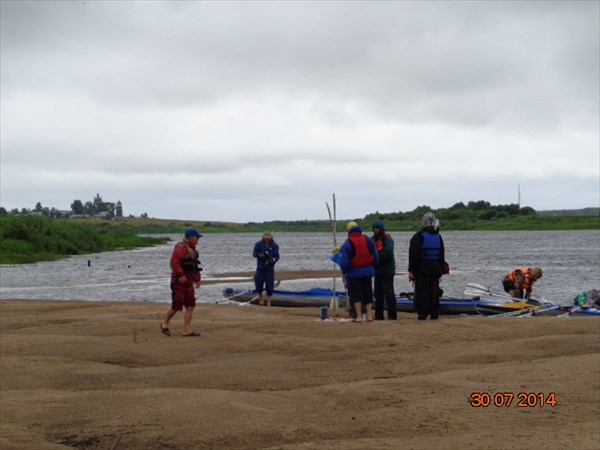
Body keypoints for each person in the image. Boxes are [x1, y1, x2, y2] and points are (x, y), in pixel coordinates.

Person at [161, 229, 203, 337]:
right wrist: (180, 275)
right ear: (190, 238)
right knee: (176, 305)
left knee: (190, 305)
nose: (198, 239)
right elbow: (174, 262)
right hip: (178, 282)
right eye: (196, 237)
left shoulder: (193, 251)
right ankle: (165, 323)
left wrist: (197, 279)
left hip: (189, 283)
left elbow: (195, 267)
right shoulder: (180, 248)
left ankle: (187, 330)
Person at [338, 221, 379, 322]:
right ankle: (369, 315)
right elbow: (376, 255)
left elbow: (344, 262)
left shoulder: (347, 243)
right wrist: (373, 267)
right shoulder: (368, 239)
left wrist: (344, 272)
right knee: (368, 293)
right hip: (368, 271)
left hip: (354, 273)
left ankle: (359, 316)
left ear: (349, 232)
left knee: (356, 295)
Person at [408, 212, 445, 320]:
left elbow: (413, 254)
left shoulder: (418, 236)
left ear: (424, 222)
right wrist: (441, 269)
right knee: (433, 292)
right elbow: (442, 255)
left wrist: (411, 270)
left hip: (422, 268)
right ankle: (434, 313)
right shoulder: (438, 236)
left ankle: (422, 314)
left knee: (422, 292)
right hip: (435, 268)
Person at [372, 219, 397, 320]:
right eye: (374, 228)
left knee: (389, 293)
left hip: (387, 271)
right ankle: (379, 316)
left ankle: (392, 315)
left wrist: (376, 255)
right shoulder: (373, 239)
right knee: (378, 294)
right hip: (377, 271)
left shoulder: (387, 239)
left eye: (377, 228)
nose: (375, 230)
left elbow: (388, 254)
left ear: (381, 229)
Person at [253, 231, 280, 306]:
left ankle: (269, 301)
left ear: (271, 237)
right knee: (258, 284)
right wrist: (259, 255)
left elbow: (277, 257)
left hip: (269, 269)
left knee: (269, 285)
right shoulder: (258, 244)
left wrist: (273, 260)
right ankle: (261, 298)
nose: (266, 239)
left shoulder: (275, 246)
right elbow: (254, 254)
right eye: (265, 238)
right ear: (263, 237)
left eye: (268, 238)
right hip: (260, 268)